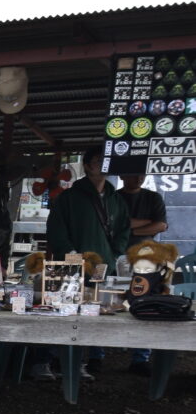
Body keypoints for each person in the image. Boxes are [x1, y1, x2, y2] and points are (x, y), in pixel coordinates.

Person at [44, 145, 131, 379]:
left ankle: (93, 359)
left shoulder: (116, 199)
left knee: (99, 310)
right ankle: (59, 359)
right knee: (67, 311)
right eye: (97, 161)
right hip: (71, 265)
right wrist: (71, 254)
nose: (102, 166)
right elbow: (56, 229)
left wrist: (115, 254)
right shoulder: (69, 197)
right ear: (86, 166)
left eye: (106, 161)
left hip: (105, 265)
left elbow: (124, 229)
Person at [119, 172, 168, 374]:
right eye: (133, 174)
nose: (138, 177)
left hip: (146, 257)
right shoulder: (115, 197)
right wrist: (146, 224)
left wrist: (128, 229)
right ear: (122, 175)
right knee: (107, 300)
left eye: (142, 174)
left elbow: (161, 225)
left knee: (146, 302)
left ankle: (140, 358)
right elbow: (114, 223)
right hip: (116, 254)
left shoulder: (153, 197)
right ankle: (97, 356)